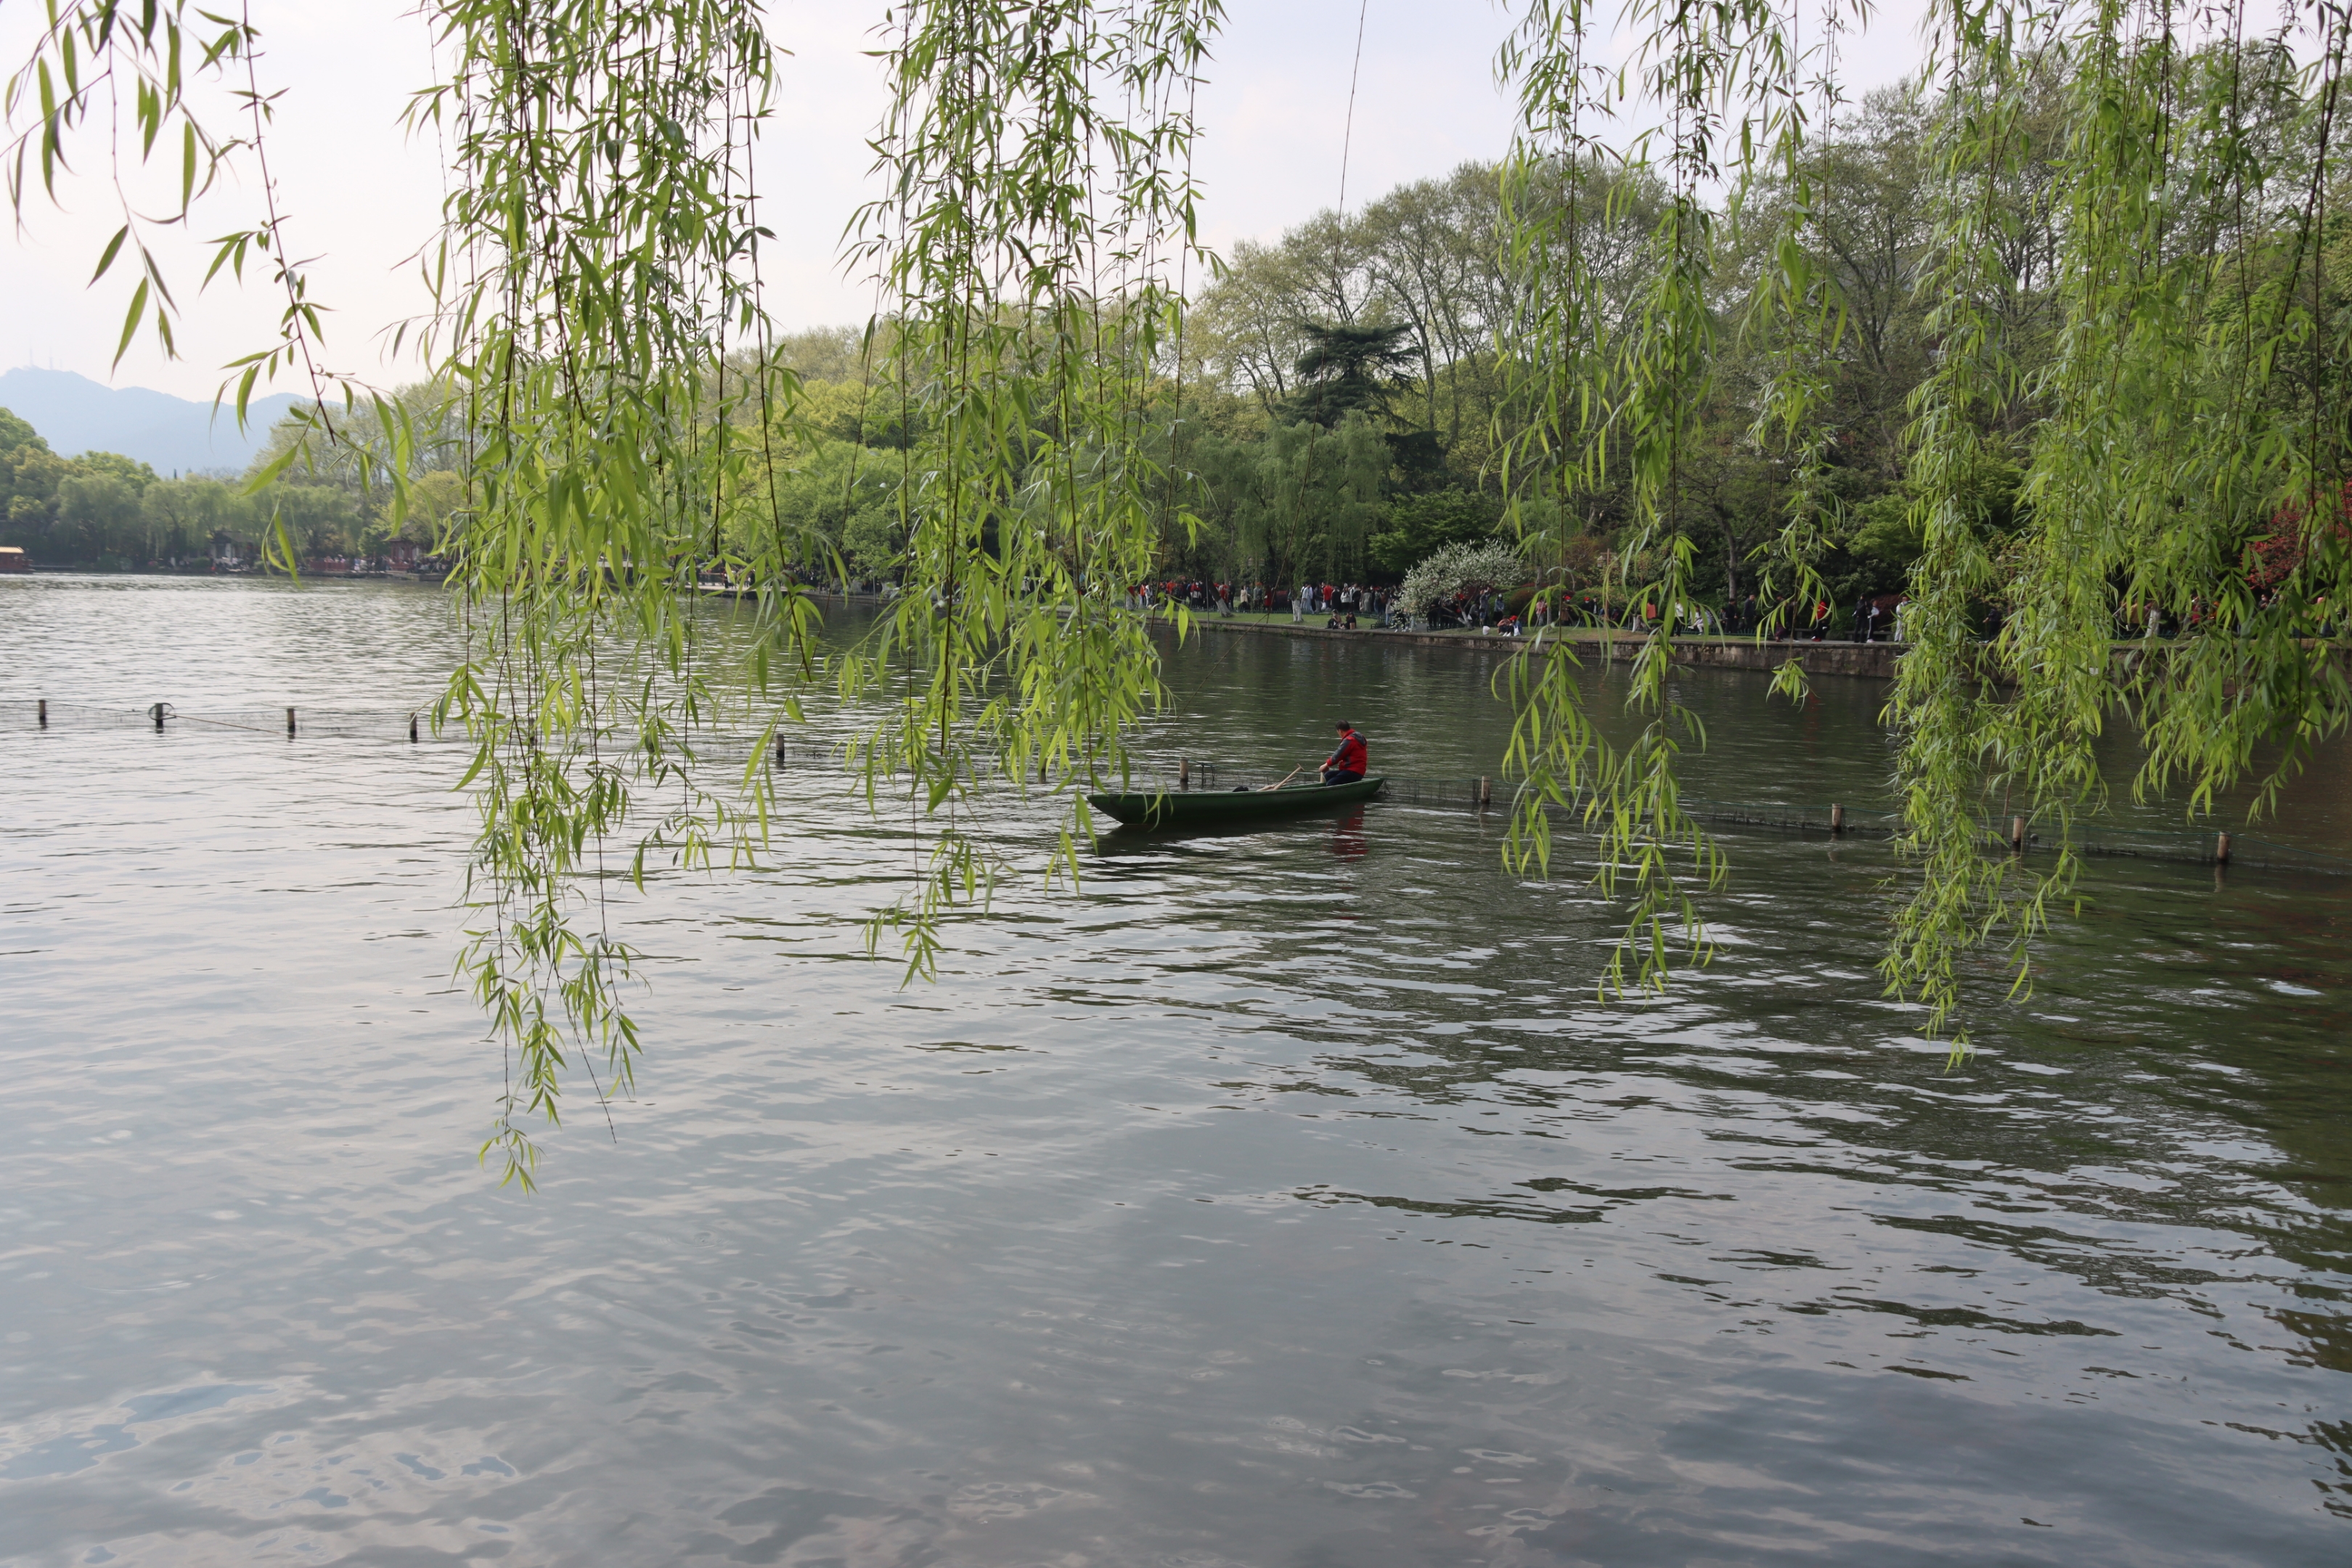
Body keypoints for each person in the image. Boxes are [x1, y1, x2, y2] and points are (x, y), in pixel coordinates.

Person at [1321, 720, 1368, 785]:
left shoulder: (1349, 740)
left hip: (1353, 771)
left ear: (1340, 731)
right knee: (1328, 775)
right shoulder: (1358, 737)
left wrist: (1326, 765)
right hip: (1356, 771)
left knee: (1331, 783)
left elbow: (1338, 755)